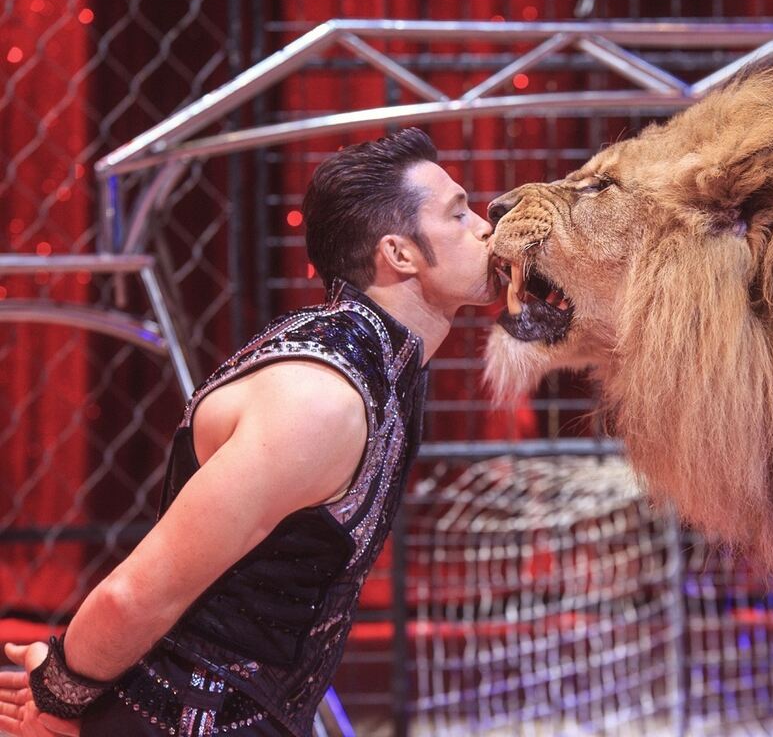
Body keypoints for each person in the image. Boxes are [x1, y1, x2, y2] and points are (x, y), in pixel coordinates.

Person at [0, 128, 498, 736]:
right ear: (399, 253)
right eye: (459, 214)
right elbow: (134, 596)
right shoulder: (321, 399)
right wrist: (58, 701)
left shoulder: (378, 368)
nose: (486, 228)